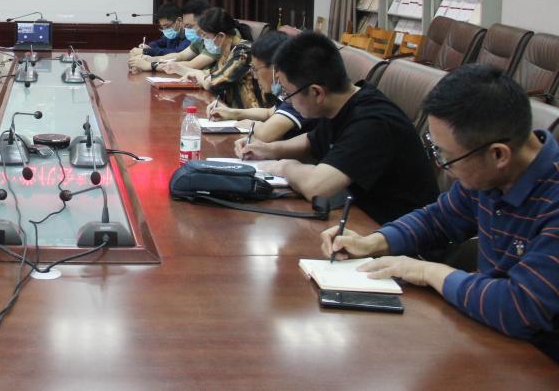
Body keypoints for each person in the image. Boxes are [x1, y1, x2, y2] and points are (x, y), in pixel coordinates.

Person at [320, 65, 559, 361]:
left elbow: (520, 308)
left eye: (446, 157)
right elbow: (438, 219)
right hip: (493, 337)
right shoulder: (493, 173)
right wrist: (373, 242)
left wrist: (427, 271)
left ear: (499, 154)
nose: (441, 165)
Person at [235, 31, 438, 224]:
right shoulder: (341, 104)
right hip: (360, 217)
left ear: (316, 93)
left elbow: (317, 187)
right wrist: (268, 149)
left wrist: (283, 167)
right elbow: (311, 140)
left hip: (395, 232)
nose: (286, 101)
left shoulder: (373, 122)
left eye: (288, 94)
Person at [206, 31, 317, 142]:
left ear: (275, 68)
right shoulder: (288, 89)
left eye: (255, 69)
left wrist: (255, 125)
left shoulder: (299, 92)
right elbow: (269, 113)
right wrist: (232, 113)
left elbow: (266, 134)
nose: (254, 76)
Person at [163, 7, 261, 108]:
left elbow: (215, 83)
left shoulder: (243, 52)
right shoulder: (226, 51)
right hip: (230, 110)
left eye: (206, 37)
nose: (205, 41)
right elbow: (213, 73)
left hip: (249, 113)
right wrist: (180, 69)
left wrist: (198, 74)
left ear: (221, 36)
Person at [128, 0, 215, 74]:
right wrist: (149, 59)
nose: (185, 29)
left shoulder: (215, 41)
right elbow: (180, 56)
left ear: (204, 22)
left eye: (189, 26)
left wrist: (151, 65)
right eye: (185, 25)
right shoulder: (199, 40)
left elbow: (191, 65)